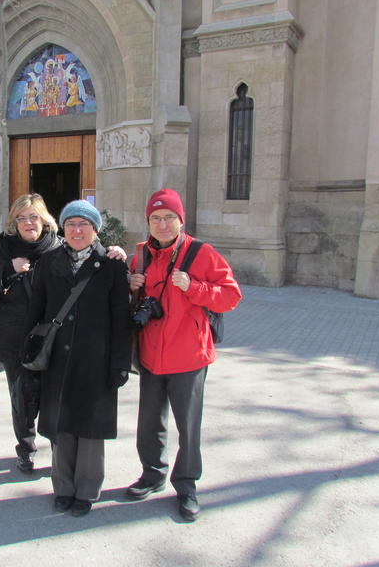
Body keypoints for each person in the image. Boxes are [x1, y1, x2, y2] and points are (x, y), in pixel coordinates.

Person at [0, 195, 129, 475]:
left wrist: (113, 251)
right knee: (22, 398)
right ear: (14, 222)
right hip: (17, 339)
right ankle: (26, 448)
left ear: (44, 219)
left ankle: (62, 452)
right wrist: (8, 271)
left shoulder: (59, 247)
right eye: (21, 218)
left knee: (55, 398)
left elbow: (89, 255)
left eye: (33, 216)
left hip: (58, 341)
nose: (28, 222)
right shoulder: (2, 252)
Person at [125, 188, 242, 521]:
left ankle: (187, 485)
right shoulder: (141, 255)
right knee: (149, 422)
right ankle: (152, 473)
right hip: (150, 354)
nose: (162, 225)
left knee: (188, 426)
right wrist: (131, 285)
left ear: (181, 220)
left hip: (189, 356)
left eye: (169, 218)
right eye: (155, 218)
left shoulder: (201, 253)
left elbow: (231, 296)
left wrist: (194, 287)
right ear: (148, 221)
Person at [26, 200, 131, 517]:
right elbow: (36, 311)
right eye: (70, 224)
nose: (76, 230)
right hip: (58, 358)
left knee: (89, 428)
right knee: (61, 426)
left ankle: (86, 490)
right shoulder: (49, 262)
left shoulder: (111, 264)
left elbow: (121, 319)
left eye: (83, 224)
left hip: (95, 360)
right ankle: (63, 487)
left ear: (95, 230)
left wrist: (119, 364)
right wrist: (29, 351)